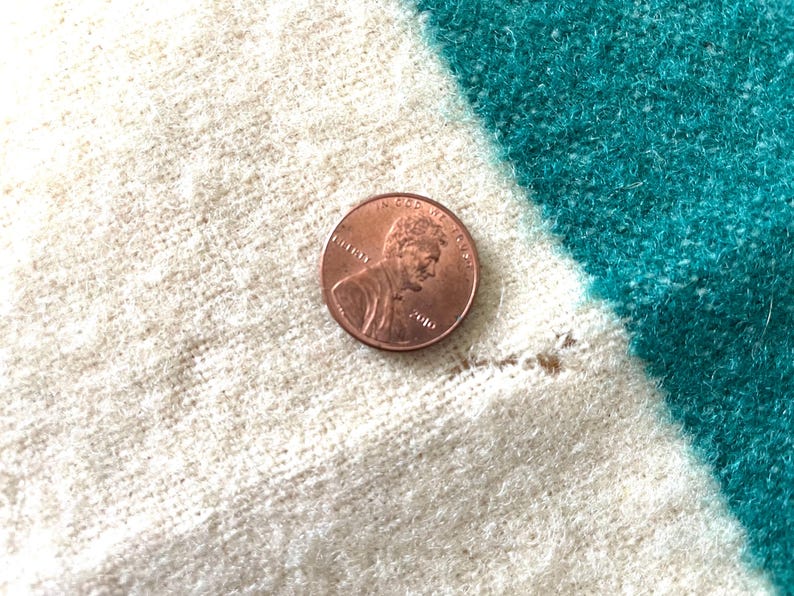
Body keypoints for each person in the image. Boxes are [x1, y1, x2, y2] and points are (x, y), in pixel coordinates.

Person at [332, 214, 447, 343]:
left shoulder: (396, 297)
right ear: (405, 248)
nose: (432, 272)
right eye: (429, 259)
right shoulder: (352, 290)